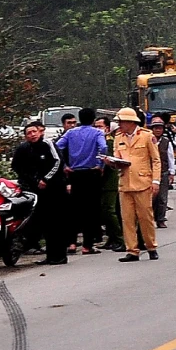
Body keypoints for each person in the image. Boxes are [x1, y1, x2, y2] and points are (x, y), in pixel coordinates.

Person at [11, 120, 68, 265]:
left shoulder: (48, 144)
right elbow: (17, 167)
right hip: (38, 192)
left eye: (34, 132)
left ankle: (60, 256)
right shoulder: (24, 149)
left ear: (40, 132)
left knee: (58, 223)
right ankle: (50, 256)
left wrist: (46, 179)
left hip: (56, 189)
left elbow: (58, 162)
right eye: (28, 133)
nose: (32, 135)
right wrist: (31, 181)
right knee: (46, 224)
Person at [113, 107, 161, 262]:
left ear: (130, 122)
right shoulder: (118, 137)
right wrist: (113, 163)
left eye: (121, 122)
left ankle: (151, 246)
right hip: (125, 183)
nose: (119, 125)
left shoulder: (147, 136)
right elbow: (117, 157)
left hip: (143, 183)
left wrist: (155, 181)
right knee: (127, 219)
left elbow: (156, 160)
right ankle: (132, 250)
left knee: (145, 217)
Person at [57, 108, 107, 254]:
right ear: (93, 120)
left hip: (74, 174)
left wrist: (64, 165)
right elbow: (103, 147)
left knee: (74, 209)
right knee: (91, 210)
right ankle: (87, 245)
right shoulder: (97, 132)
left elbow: (57, 146)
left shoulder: (71, 133)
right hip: (92, 173)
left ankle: (71, 243)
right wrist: (100, 164)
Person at [94, 117, 124, 251]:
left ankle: (119, 238)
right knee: (105, 210)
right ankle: (112, 238)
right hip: (103, 181)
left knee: (110, 210)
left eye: (100, 126)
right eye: (96, 126)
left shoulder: (109, 142)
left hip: (110, 181)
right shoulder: (99, 141)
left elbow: (111, 161)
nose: (97, 129)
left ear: (107, 128)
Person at [150, 117, 176, 228]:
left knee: (162, 198)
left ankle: (160, 219)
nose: (158, 130)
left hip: (163, 172)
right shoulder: (148, 140)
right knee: (150, 198)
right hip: (149, 173)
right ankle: (150, 219)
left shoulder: (166, 142)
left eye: (160, 128)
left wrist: (172, 172)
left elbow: (170, 158)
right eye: (155, 128)